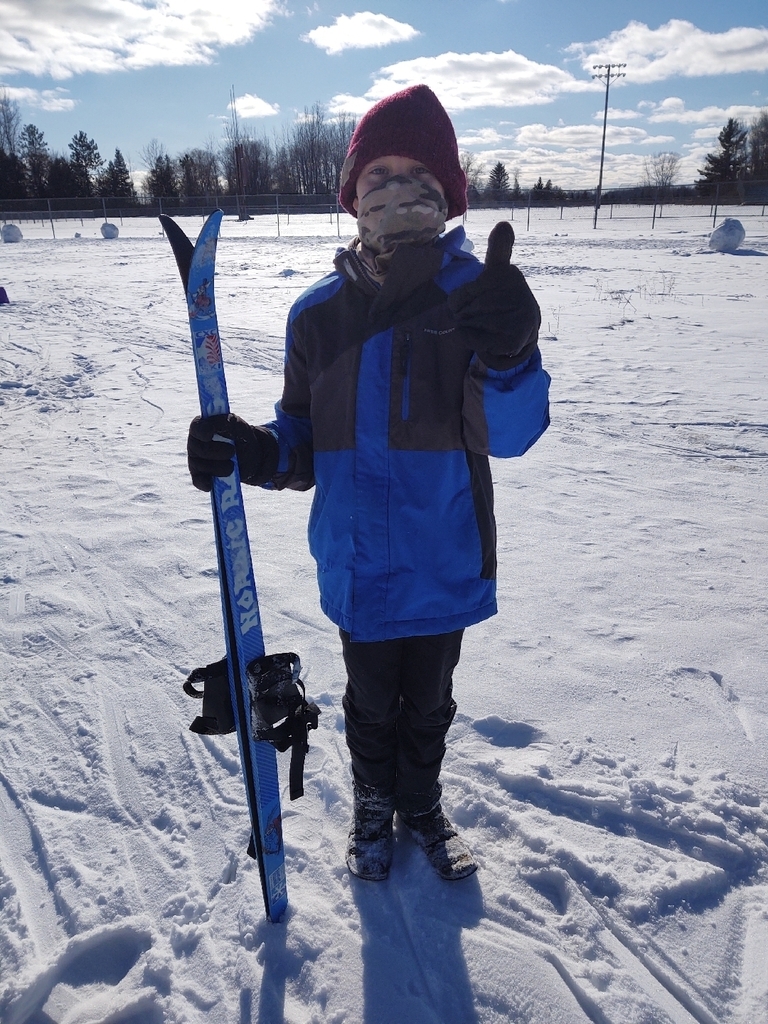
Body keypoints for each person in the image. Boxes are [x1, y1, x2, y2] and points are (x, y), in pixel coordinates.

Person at [187, 85, 550, 882]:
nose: (396, 189)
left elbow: (511, 434)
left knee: (430, 704)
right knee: (371, 702)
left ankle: (421, 805)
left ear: (447, 193)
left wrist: (514, 355)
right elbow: (303, 438)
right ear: (352, 194)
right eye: (378, 174)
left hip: (444, 558)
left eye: (417, 173)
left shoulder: (477, 297)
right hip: (357, 564)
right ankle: (373, 808)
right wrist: (256, 452)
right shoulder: (317, 315)